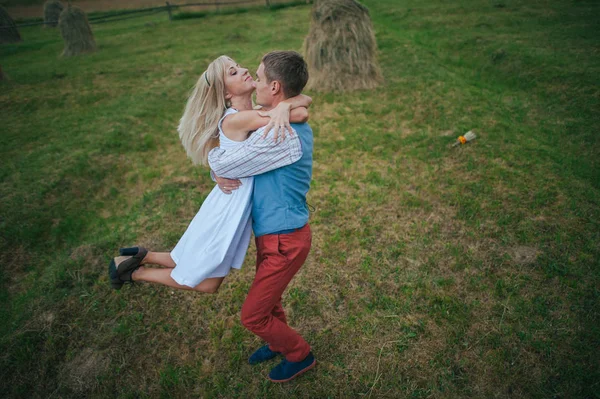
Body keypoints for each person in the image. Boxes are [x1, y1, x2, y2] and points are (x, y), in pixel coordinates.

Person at [108, 55, 312, 294]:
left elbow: (304, 99)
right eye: (233, 73)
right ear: (226, 94)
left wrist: (285, 105)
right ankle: (133, 272)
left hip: (230, 199)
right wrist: (286, 108)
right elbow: (302, 114)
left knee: (195, 258)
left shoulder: (253, 113)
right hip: (229, 206)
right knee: (207, 281)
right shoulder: (237, 119)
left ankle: (143, 256)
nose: (244, 70)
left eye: (239, 67)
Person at [208, 51, 315, 383]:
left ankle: (299, 354)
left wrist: (215, 167)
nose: (253, 80)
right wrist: (284, 105)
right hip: (274, 233)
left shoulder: (280, 133)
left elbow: (229, 162)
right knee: (270, 299)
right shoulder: (277, 113)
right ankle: (276, 339)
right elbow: (301, 100)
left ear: (276, 87)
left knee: (252, 315)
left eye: (259, 76)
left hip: (285, 238)